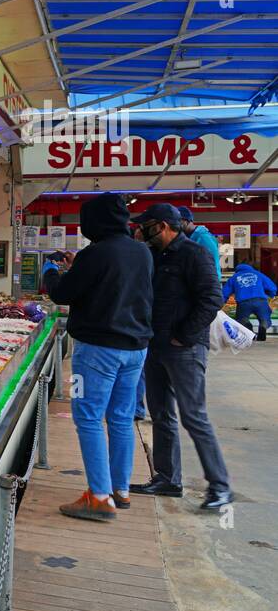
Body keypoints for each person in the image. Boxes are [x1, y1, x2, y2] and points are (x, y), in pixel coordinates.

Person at [40, 193, 153, 521]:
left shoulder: (95, 253)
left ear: (95, 221)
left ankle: (99, 498)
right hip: (135, 350)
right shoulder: (142, 252)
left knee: (87, 417)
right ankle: (120, 489)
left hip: (96, 353)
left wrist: (51, 272)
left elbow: (61, 293)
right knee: (121, 417)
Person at [129, 204, 232, 509]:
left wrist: (184, 335)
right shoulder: (156, 256)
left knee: (194, 416)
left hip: (185, 348)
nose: (140, 231)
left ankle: (220, 487)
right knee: (161, 414)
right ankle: (167, 478)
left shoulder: (194, 254)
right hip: (156, 345)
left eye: (144, 226)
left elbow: (212, 298)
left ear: (161, 226)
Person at [222, 262, 276, 342]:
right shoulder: (258, 274)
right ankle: (263, 325)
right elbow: (271, 286)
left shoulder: (234, 277)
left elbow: (225, 292)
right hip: (260, 301)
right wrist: (271, 295)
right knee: (265, 318)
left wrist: (222, 301)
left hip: (244, 303)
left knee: (241, 319)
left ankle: (248, 327)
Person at [177, 206, 221, 281]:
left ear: (186, 221)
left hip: (207, 283)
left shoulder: (203, 238)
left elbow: (210, 264)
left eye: (178, 221)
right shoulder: (188, 237)